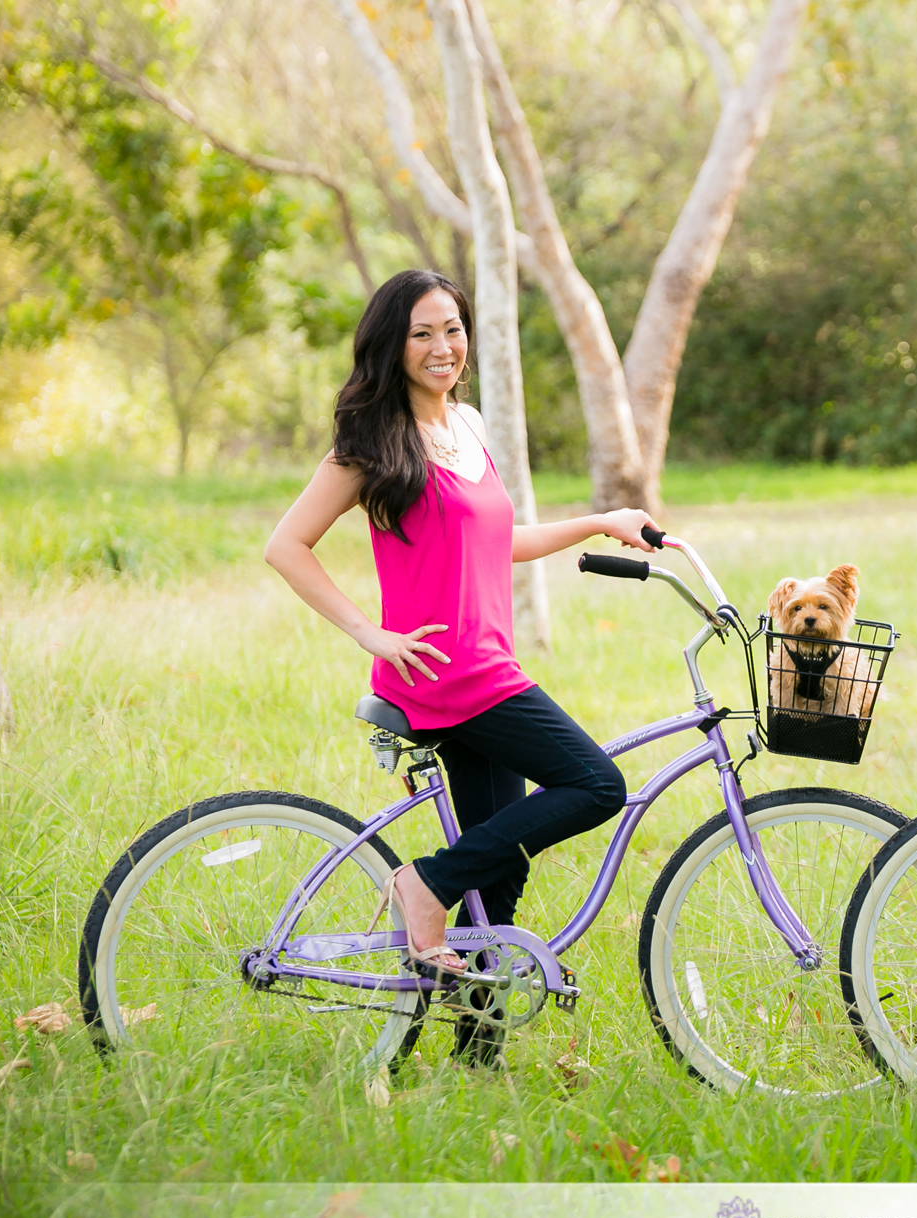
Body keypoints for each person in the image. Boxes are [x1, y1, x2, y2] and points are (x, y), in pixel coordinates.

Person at [265, 268, 652, 1011]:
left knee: (499, 875)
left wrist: (604, 520)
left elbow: (499, 539)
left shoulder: (467, 426)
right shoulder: (371, 442)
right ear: (392, 345)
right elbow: (287, 545)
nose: (443, 347)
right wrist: (368, 632)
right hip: (445, 673)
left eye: (452, 329)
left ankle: (478, 1058)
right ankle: (426, 881)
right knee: (598, 784)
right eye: (422, 333)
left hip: (488, 662)